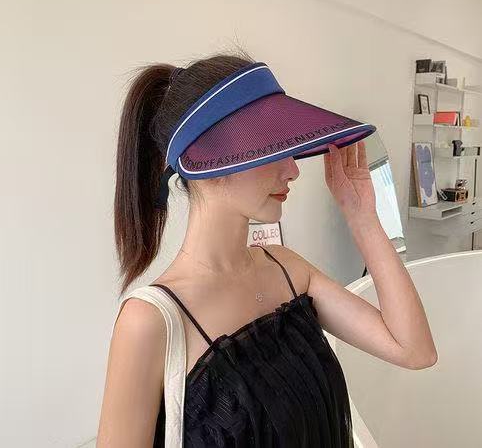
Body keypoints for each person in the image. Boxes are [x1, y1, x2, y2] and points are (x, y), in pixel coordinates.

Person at [97, 52, 437, 448]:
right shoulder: (150, 322)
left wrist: (362, 216)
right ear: (207, 160)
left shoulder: (288, 271)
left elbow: (415, 350)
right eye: (269, 149)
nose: (293, 169)